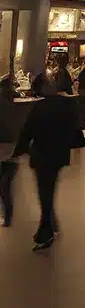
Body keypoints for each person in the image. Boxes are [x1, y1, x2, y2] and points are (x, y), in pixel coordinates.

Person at [12, 74, 81, 251]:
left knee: (45, 191)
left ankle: (46, 231)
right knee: (49, 189)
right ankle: (51, 224)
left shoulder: (39, 107)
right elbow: (74, 127)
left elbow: (28, 131)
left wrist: (18, 151)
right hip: (57, 154)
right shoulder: (66, 104)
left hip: (42, 154)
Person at [0, 75, 17, 226]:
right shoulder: (12, 106)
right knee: (6, 184)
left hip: (4, 146)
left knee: (4, 185)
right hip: (11, 146)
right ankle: (8, 214)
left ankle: (7, 214)